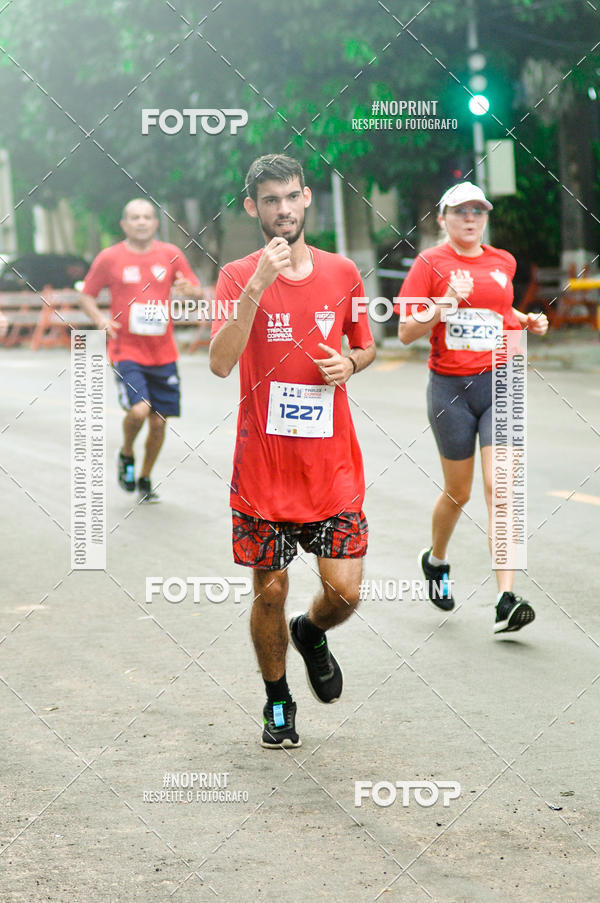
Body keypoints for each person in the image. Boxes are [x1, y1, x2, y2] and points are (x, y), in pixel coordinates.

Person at [210, 154, 376, 748]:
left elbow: (366, 344)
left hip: (331, 465)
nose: (283, 210)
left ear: (308, 198)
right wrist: (257, 283)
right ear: (253, 206)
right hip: (265, 470)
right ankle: (277, 700)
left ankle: (312, 633)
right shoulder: (235, 276)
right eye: (270, 200)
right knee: (270, 590)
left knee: (345, 594)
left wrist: (350, 363)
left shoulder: (342, 273)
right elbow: (220, 362)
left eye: (291, 197)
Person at [397, 181, 548, 633]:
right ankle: (436, 560)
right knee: (458, 492)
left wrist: (526, 320)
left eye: (478, 212)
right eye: (461, 212)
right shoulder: (430, 264)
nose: (470, 219)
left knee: (500, 490)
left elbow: (498, 313)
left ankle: (505, 596)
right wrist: (444, 303)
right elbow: (406, 330)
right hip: (450, 390)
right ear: (443, 218)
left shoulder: (503, 261)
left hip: (501, 381)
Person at [79, 198, 202, 503]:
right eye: (135, 217)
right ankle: (126, 452)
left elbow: (196, 290)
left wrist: (191, 291)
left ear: (155, 223)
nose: (142, 222)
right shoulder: (110, 258)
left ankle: (145, 477)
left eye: (147, 217)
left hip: (163, 352)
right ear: (124, 224)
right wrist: (100, 320)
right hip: (126, 349)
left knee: (159, 422)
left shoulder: (171, 255)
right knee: (139, 409)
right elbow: (86, 296)